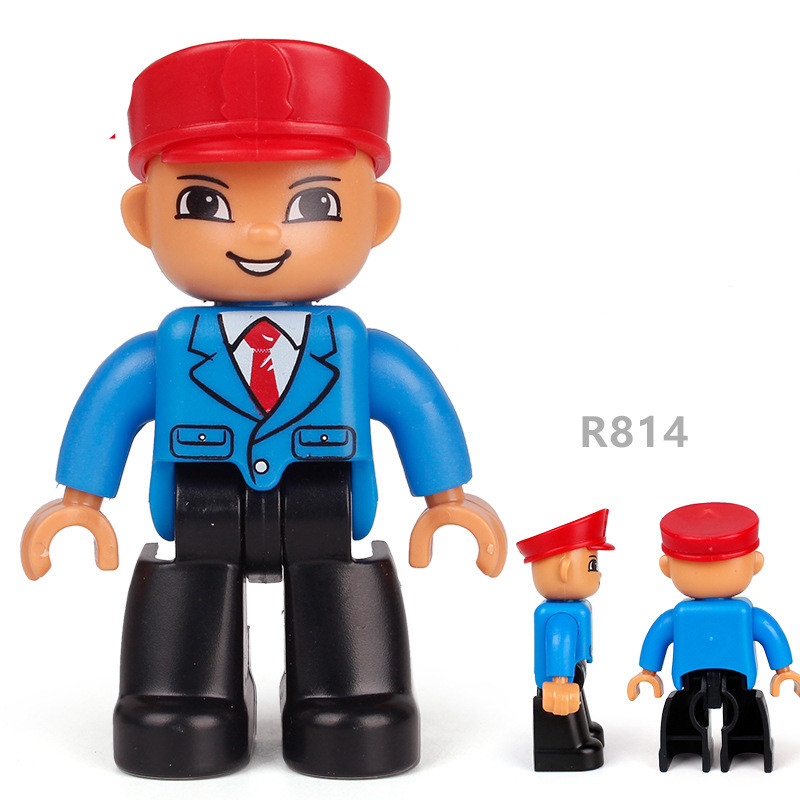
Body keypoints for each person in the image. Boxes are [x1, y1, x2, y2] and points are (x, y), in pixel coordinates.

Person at [20, 39, 507, 780]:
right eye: (204, 204)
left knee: (339, 585)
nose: (260, 233)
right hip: (202, 503)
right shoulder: (165, 353)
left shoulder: (358, 350)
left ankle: (348, 694)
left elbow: (415, 405)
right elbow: (111, 406)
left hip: (324, 500)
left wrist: (448, 499)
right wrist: (79, 502)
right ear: (143, 217)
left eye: (312, 204)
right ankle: (184, 695)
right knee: (190, 588)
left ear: (377, 216)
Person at [628, 502, 800, 771]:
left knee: (744, 710)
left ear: (755, 563)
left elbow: (769, 633)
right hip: (690, 677)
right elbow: (658, 637)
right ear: (667, 566)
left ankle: (747, 743)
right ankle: (684, 744)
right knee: (685, 711)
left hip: (738, 676)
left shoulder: (746, 614)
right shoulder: (679, 616)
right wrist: (647, 673)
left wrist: (783, 671)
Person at [517, 508, 612, 770]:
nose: (599, 574)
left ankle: (584, 730)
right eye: (592, 566)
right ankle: (571, 746)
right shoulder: (561, 616)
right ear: (565, 569)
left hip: (571, 672)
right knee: (565, 707)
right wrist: (559, 682)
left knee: (577, 697)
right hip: (559, 679)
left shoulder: (575, 609)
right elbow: (559, 643)